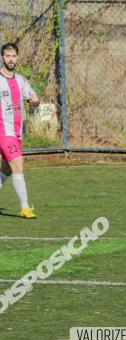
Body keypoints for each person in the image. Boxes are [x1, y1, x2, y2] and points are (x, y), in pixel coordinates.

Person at [0, 43, 39, 219]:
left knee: (7, 170)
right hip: (3, 131)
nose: (10, 59)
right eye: (7, 56)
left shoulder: (22, 80)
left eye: (13, 56)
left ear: (17, 58)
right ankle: (24, 208)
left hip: (17, 133)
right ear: (2, 57)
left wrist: (35, 101)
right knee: (18, 164)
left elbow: (33, 98)